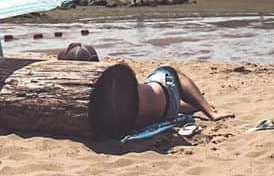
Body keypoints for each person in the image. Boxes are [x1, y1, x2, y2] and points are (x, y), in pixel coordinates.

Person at [57, 44, 233, 127]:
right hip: (165, 100)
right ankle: (210, 111)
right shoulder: (118, 77)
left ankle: (193, 106)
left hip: (154, 115)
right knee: (170, 72)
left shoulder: (78, 95)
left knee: (156, 98)